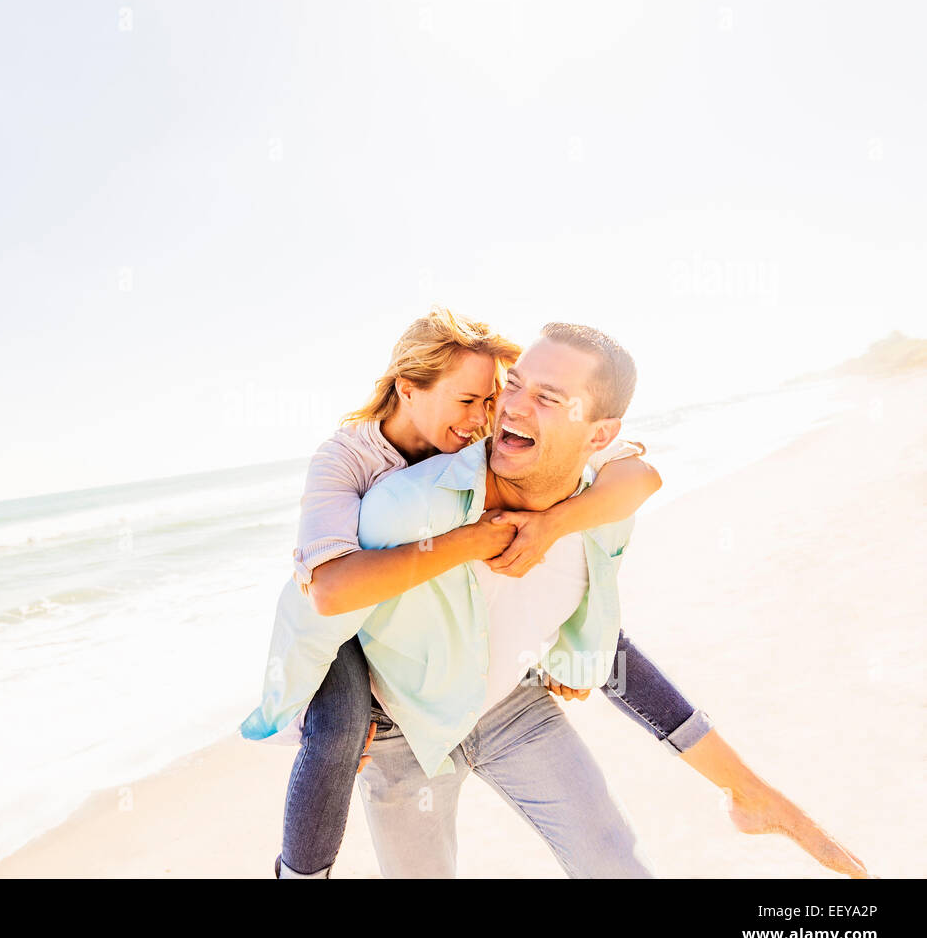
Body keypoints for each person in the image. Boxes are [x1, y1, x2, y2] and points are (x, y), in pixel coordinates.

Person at [241, 310, 869, 879]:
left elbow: (637, 489)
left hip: (511, 702)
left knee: (613, 853)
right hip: (400, 724)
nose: (498, 411)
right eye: (506, 389)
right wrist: (324, 723)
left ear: (596, 434)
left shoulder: (595, 498)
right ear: (409, 388)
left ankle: (754, 796)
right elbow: (323, 597)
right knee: (364, 776)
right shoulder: (379, 492)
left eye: (524, 393)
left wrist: (556, 531)